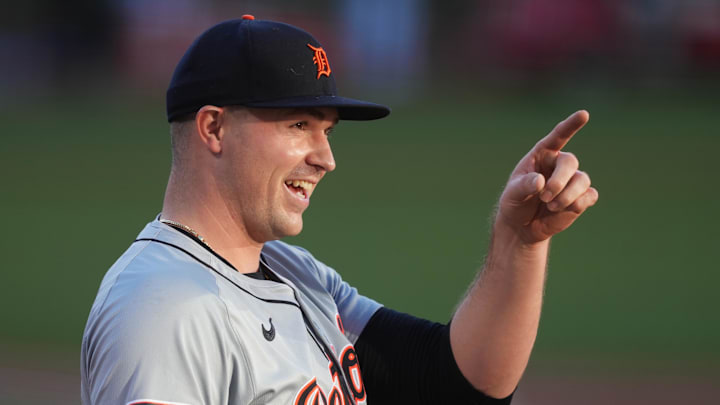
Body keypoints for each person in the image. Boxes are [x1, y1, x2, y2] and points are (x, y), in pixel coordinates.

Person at [81, 16, 598, 405]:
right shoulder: (161, 309)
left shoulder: (297, 273)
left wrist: (519, 242)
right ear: (214, 128)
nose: (326, 158)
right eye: (299, 125)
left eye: (326, 131)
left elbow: (453, 383)